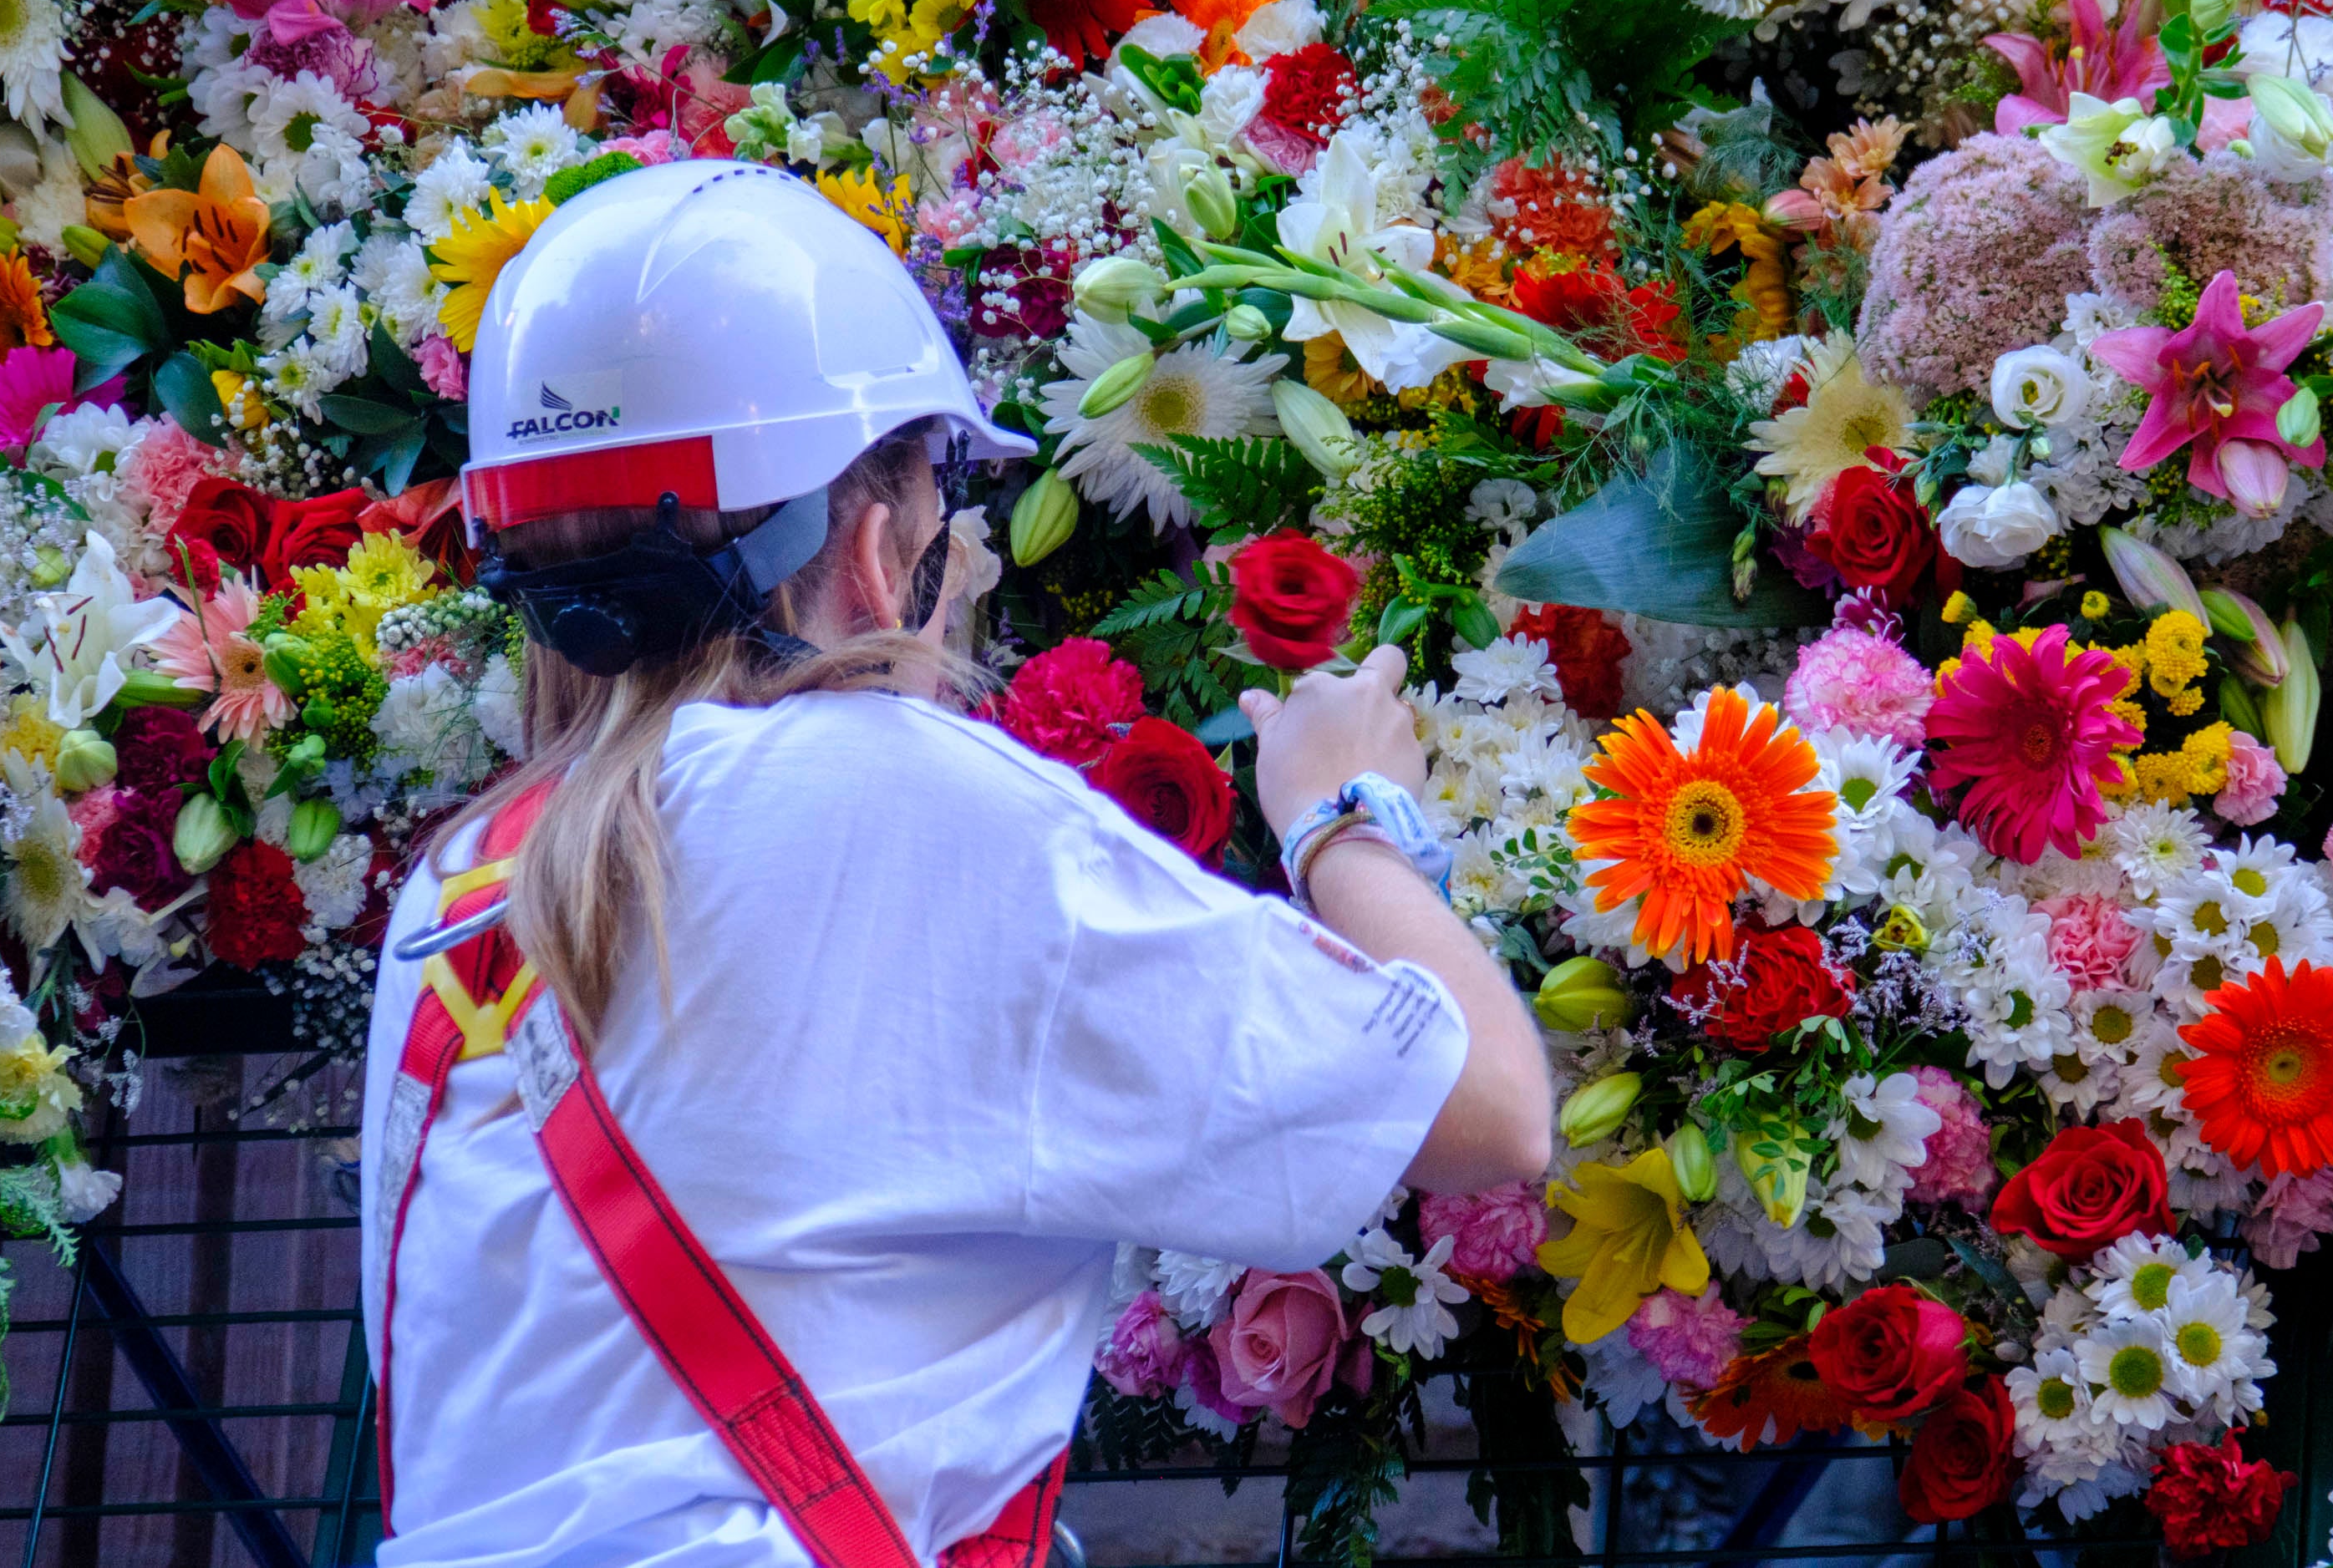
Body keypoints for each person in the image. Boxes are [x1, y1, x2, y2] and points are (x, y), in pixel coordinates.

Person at [358, 160, 1548, 1567]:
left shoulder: (461, 893)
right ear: (873, 550)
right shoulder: (899, 800)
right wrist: (1344, 811)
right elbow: (1488, 1110)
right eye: (943, 521)